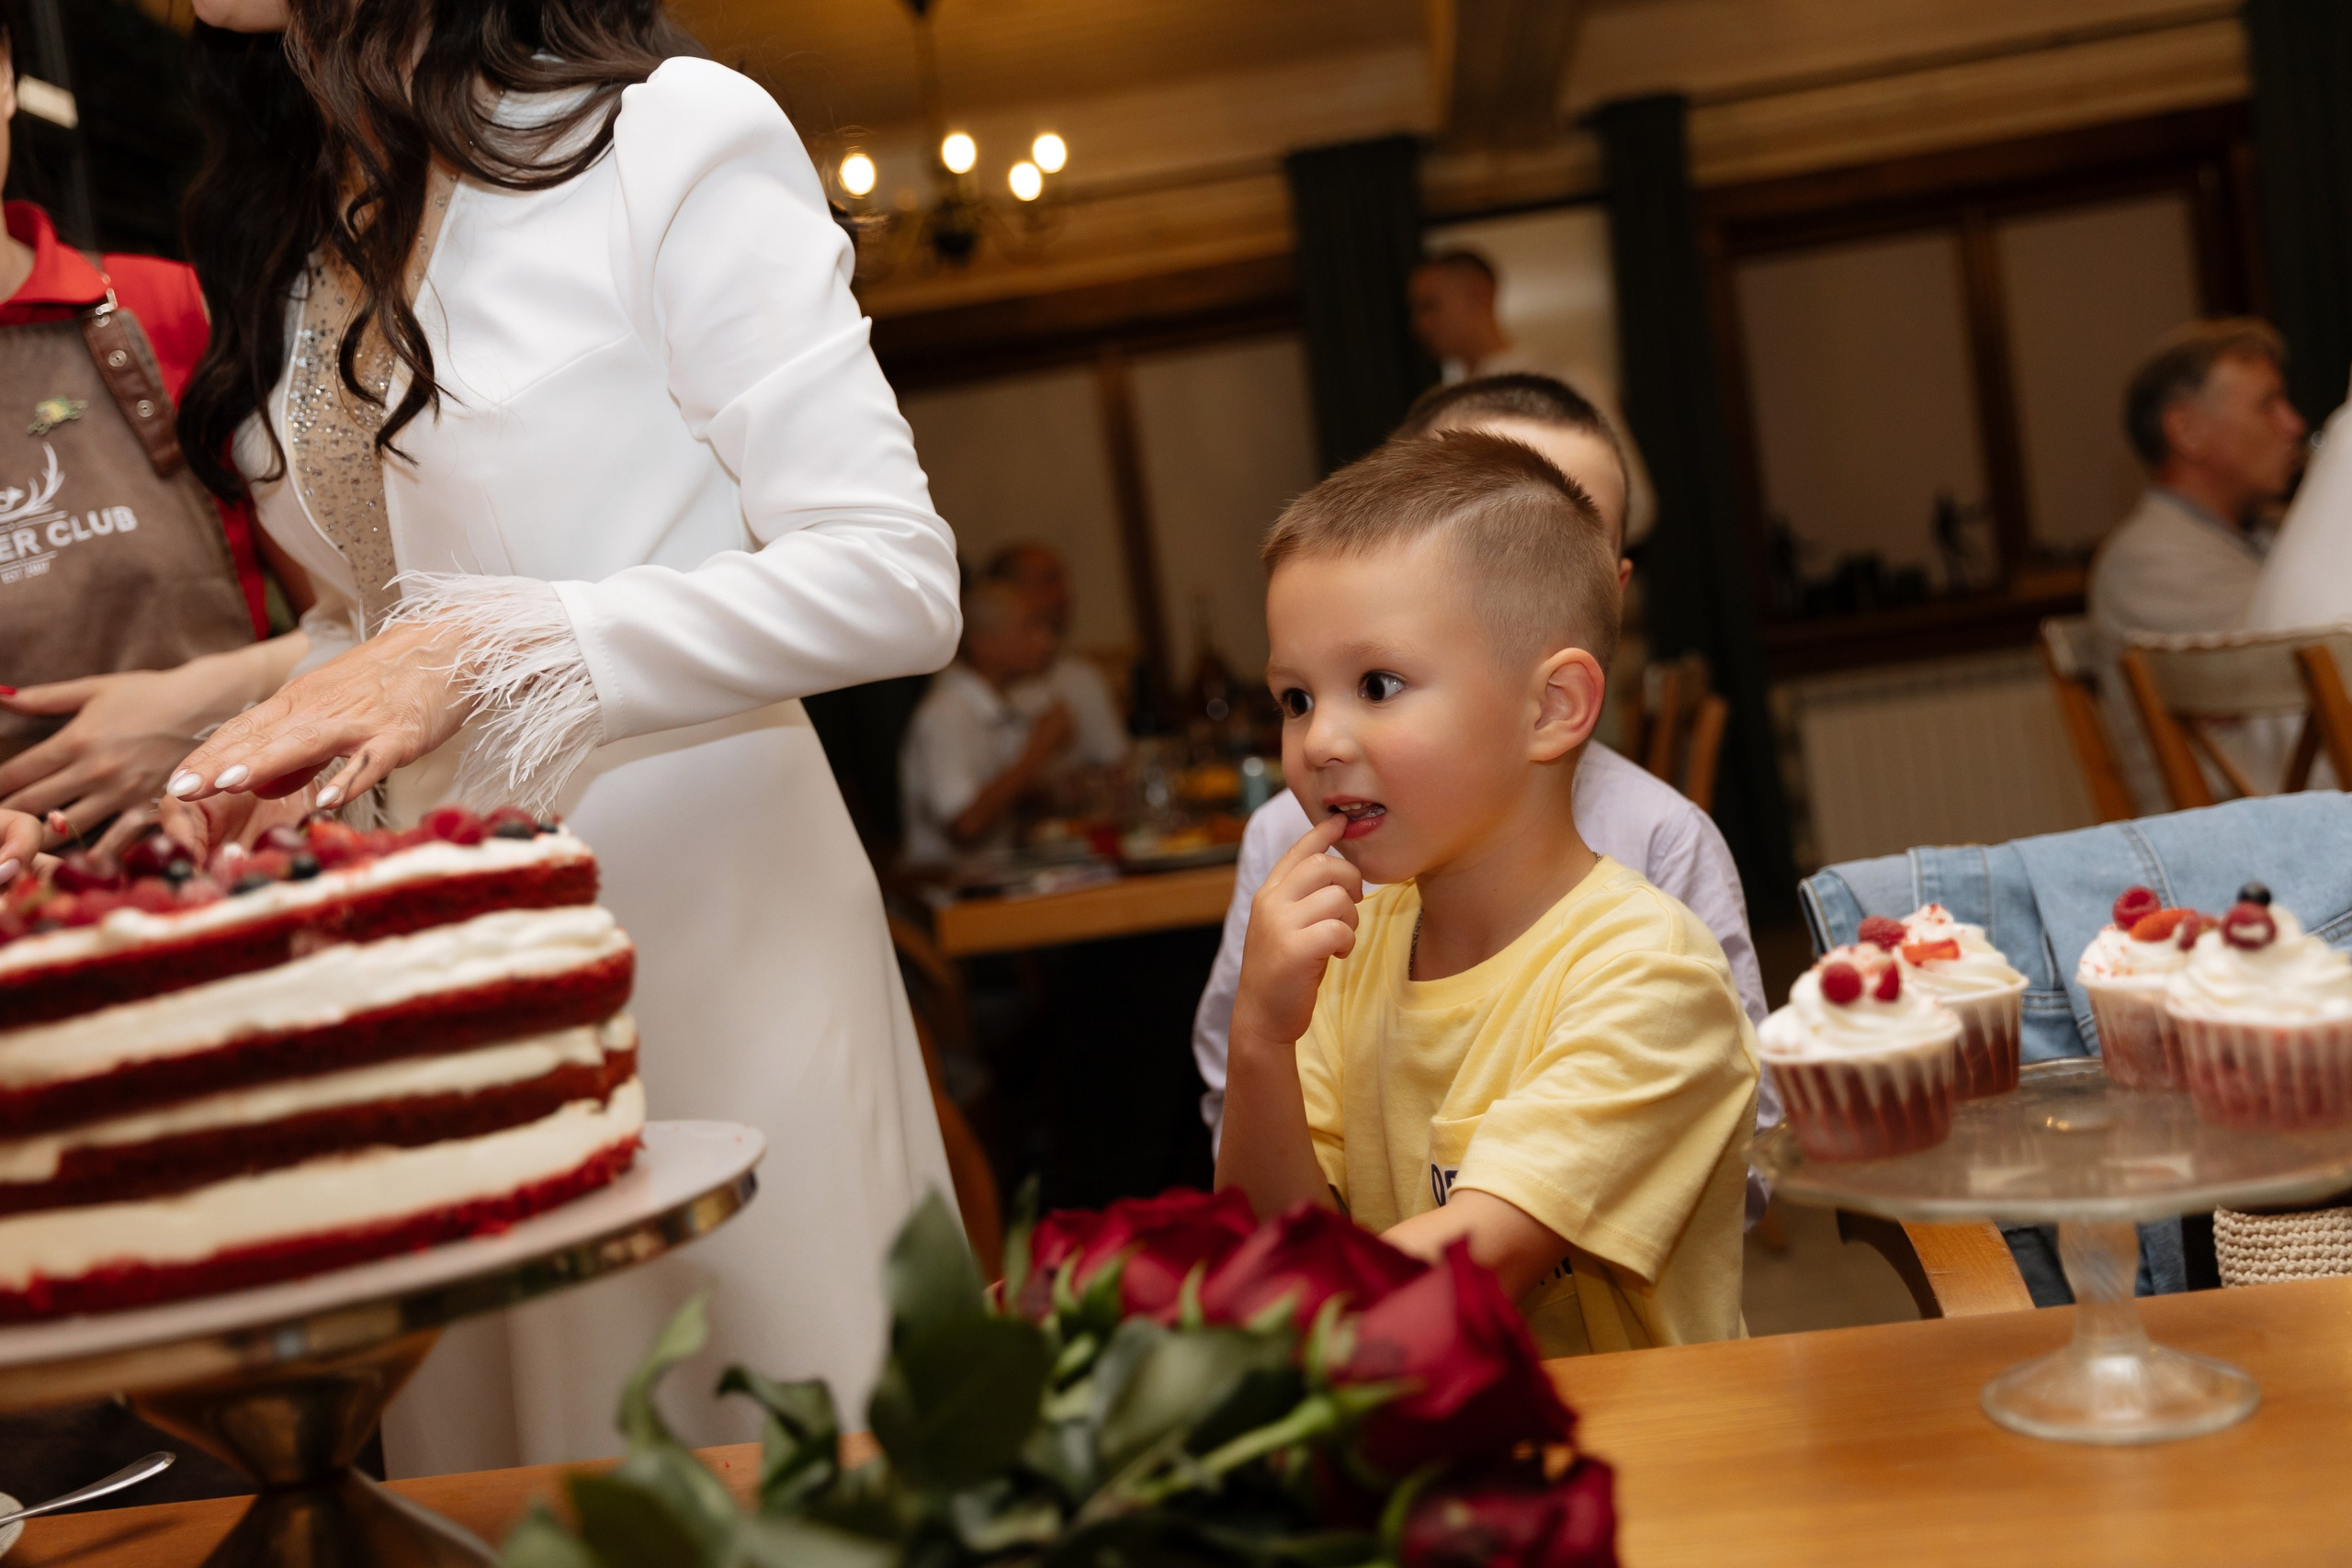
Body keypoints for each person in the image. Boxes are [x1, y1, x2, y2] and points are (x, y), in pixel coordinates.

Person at [164, 0, 961, 1471]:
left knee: (760, 1460)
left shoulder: (664, 136)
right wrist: (248, 737)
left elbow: (892, 576)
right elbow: (383, 615)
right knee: (501, 1484)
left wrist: (492, 649)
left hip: (701, 946)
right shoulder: (307, 208)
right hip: (432, 993)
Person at [1216, 433, 1757, 1358]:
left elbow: (1474, 1269)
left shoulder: (1649, 977)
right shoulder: (1350, 944)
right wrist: (1261, 1040)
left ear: (1548, 709)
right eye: (1295, 698)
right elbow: (1288, 1246)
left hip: (1649, 1466)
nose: (1318, 742)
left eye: (1376, 685)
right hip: (1425, 1445)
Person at [0, 0, 314, 855]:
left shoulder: (175, 308)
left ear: (6, 78)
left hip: (237, 885)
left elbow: (380, 636)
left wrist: (211, 700)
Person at [2088, 320, 2309, 804]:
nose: (2294, 424)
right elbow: (2319, 662)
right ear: (2186, 431)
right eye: (2267, 404)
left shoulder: (2269, 533)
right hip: (2236, 859)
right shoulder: (2147, 560)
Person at [1408, 249, 1655, 540]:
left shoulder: (1560, 378)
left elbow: (1634, 504)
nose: (1421, 324)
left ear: (1478, 294)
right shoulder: (1437, 407)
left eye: (1430, 306)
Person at [899, 580, 1070, 864]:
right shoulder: (947, 713)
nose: (1046, 641)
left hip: (995, 879)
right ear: (985, 647)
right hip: (949, 894)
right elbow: (966, 827)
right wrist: (1038, 751)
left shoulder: (1001, 704)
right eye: (1029, 628)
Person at [986, 541, 1129, 773]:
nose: (1063, 595)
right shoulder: (968, 698)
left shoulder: (1081, 678)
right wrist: (1041, 749)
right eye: (1048, 581)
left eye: (1063, 581)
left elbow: (1116, 768)